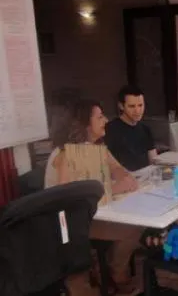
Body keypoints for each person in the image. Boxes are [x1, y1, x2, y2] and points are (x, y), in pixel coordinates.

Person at [45, 99, 141, 295]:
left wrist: (123, 177)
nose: (105, 120)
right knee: (127, 230)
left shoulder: (95, 148)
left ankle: (112, 272)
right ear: (84, 124)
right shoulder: (65, 154)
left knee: (135, 226)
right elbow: (69, 196)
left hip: (91, 216)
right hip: (67, 225)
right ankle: (104, 276)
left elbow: (118, 169)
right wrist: (115, 188)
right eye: (99, 117)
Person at [105, 86, 156, 171]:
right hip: (122, 180)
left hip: (146, 179)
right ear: (121, 106)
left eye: (140, 105)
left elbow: (153, 160)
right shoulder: (110, 130)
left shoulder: (146, 129)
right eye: (132, 106)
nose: (137, 111)